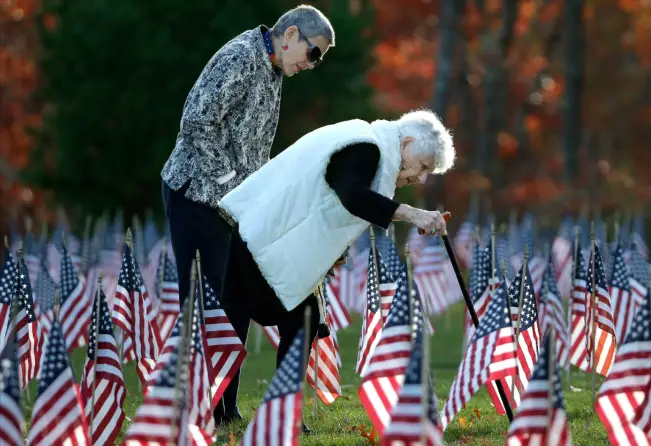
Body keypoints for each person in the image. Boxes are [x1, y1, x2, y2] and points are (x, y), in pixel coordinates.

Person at [217, 108, 455, 420]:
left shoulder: (365, 142)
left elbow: (328, 201)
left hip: (270, 237)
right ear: (407, 142)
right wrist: (413, 214)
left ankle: (257, 413)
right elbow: (351, 196)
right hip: (263, 238)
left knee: (282, 318)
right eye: (422, 166)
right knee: (266, 320)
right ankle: (248, 413)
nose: (420, 177)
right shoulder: (366, 147)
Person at [160, 5, 334, 426]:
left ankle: (225, 408)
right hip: (196, 196)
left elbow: (252, 148)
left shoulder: (274, 69)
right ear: (290, 34)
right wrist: (232, 184)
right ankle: (192, 413)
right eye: (314, 54)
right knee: (206, 305)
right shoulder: (240, 57)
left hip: (235, 205)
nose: (313, 65)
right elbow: (195, 123)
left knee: (236, 301)